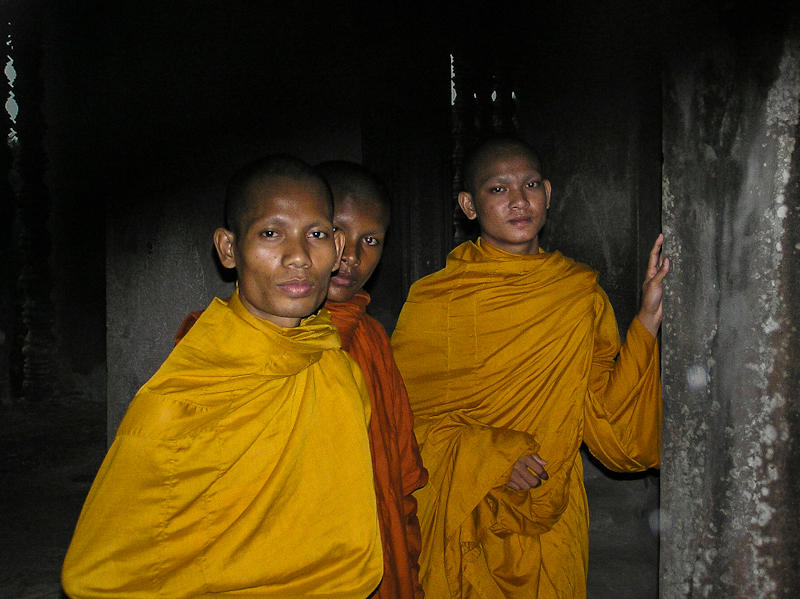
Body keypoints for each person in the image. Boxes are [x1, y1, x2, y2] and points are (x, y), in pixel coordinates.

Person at [62, 155, 384, 598]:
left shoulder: (335, 368)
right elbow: (102, 574)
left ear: (337, 246)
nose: (299, 256)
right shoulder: (185, 394)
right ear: (229, 249)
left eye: (316, 234)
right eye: (271, 233)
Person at [390, 136, 670, 599]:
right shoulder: (436, 300)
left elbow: (606, 417)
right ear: (469, 205)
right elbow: (403, 421)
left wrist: (646, 320)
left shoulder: (579, 294)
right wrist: (493, 456)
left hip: (551, 508)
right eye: (498, 189)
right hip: (468, 507)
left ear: (549, 194)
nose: (519, 200)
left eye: (531, 185)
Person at [175, 160, 429, 599]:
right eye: (333, 233)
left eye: (370, 241)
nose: (350, 255)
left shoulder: (369, 337)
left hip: (372, 554)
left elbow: (397, 470)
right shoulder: (222, 344)